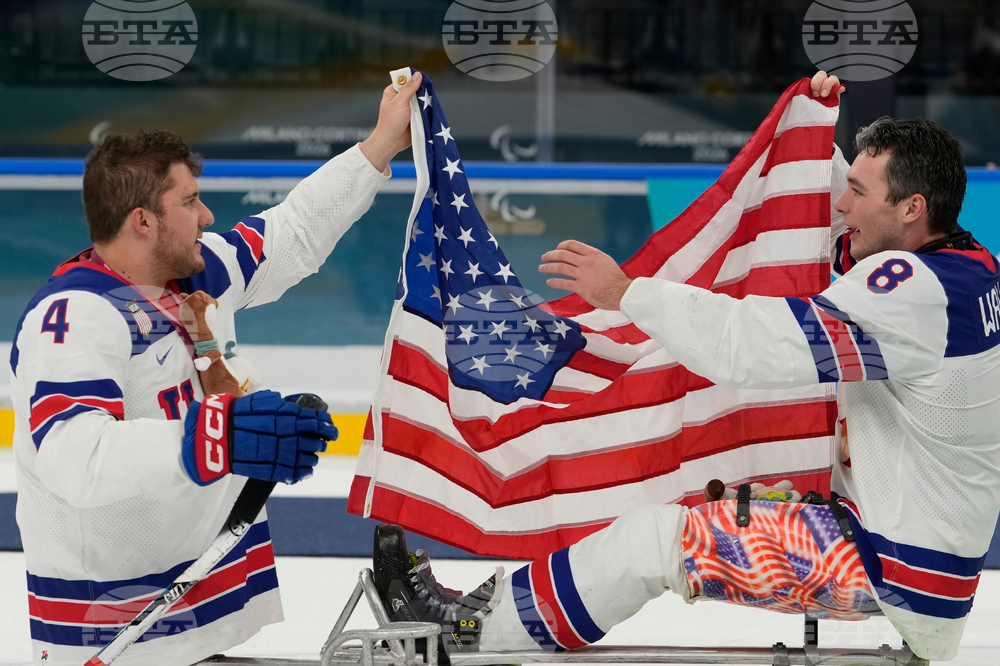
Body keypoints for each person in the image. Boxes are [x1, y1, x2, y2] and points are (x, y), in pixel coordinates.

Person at [372, 71, 1000, 663]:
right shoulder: (967, 269)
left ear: (913, 208)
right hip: (903, 545)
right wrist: (812, 137)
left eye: (857, 193)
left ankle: (470, 634)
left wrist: (627, 293)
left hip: (889, 567)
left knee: (654, 540)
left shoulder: (916, 292)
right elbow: (841, 251)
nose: (841, 204)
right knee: (687, 491)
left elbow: (756, 344)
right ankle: (488, 615)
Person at [10, 72, 423, 665]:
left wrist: (381, 144)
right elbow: (74, 456)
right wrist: (214, 437)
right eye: (188, 202)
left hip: (193, 607)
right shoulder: (76, 315)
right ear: (142, 221)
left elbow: (292, 231)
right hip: (114, 630)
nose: (206, 215)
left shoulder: (194, 274)